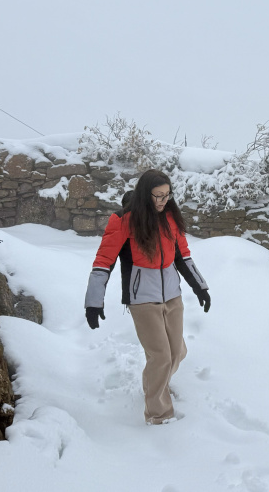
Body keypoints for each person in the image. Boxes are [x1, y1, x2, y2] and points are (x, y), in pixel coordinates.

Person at [84, 169, 211, 425]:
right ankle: (158, 415)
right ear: (145, 194)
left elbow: (183, 256)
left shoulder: (170, 217)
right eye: (158, 196)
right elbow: (104, 260)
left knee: (177, 352)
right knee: (161, 356)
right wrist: (94, 301)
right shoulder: (124, 220)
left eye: (167, 195)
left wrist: (200, 287)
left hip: (172, 294)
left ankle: (155, 384)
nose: (163, 201)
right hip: (142, 297)